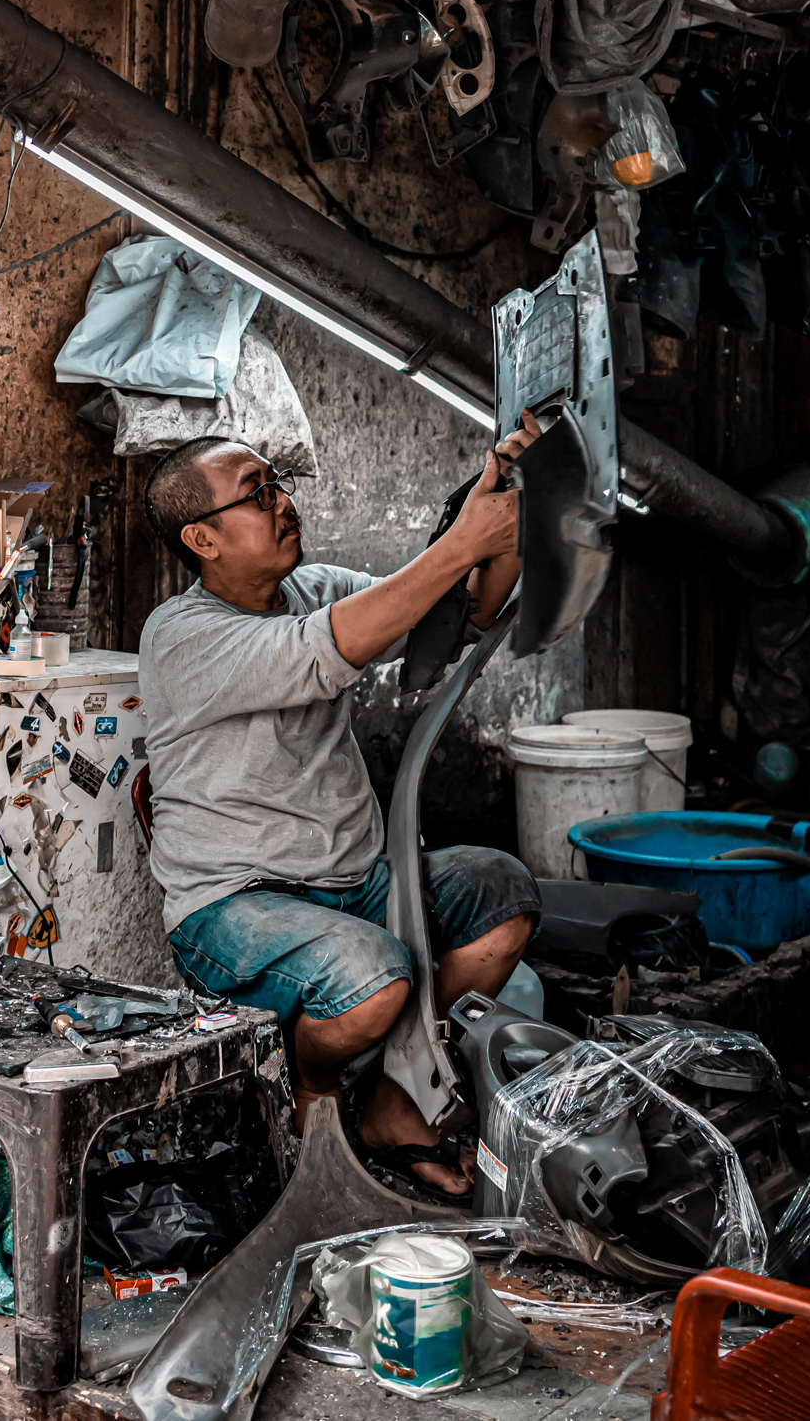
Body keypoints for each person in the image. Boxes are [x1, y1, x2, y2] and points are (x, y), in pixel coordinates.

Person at [137, 414, 542, 1196]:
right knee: (371, 974)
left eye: (277, 484)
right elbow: (326, 650)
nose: (282, 502)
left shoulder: (312, 589)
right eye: (256, 495)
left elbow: (462, 613)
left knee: (501, 893)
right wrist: (461, 540)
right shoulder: (180, 634)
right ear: (202, 540)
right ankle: (313, 1095)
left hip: (352, 884)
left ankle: (389, 1099)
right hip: (235, 906)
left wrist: (509, 508)